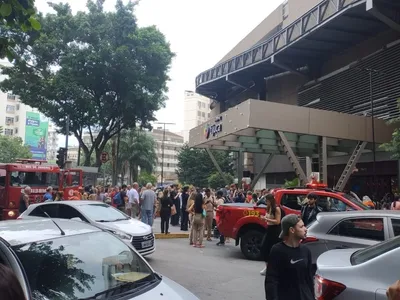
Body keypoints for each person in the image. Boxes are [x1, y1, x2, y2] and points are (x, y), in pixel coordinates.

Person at [266, 214, 314, 300]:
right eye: (301, 227)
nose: (305, 229)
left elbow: (309, 279)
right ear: (292, 230)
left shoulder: (306, 250)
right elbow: (271, 280)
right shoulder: (277, 250)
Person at [259, 194, 282, 276]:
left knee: (274, 249)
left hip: (275, 230)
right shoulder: (268, 208)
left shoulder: (276, 209)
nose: (266, 202)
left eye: (267, 201)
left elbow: (278, 221)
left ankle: (275, 268)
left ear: (271, 200)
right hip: (269, 229)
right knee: (264, 247)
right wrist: (264, 218)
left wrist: (266, 219)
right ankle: (267, 266)